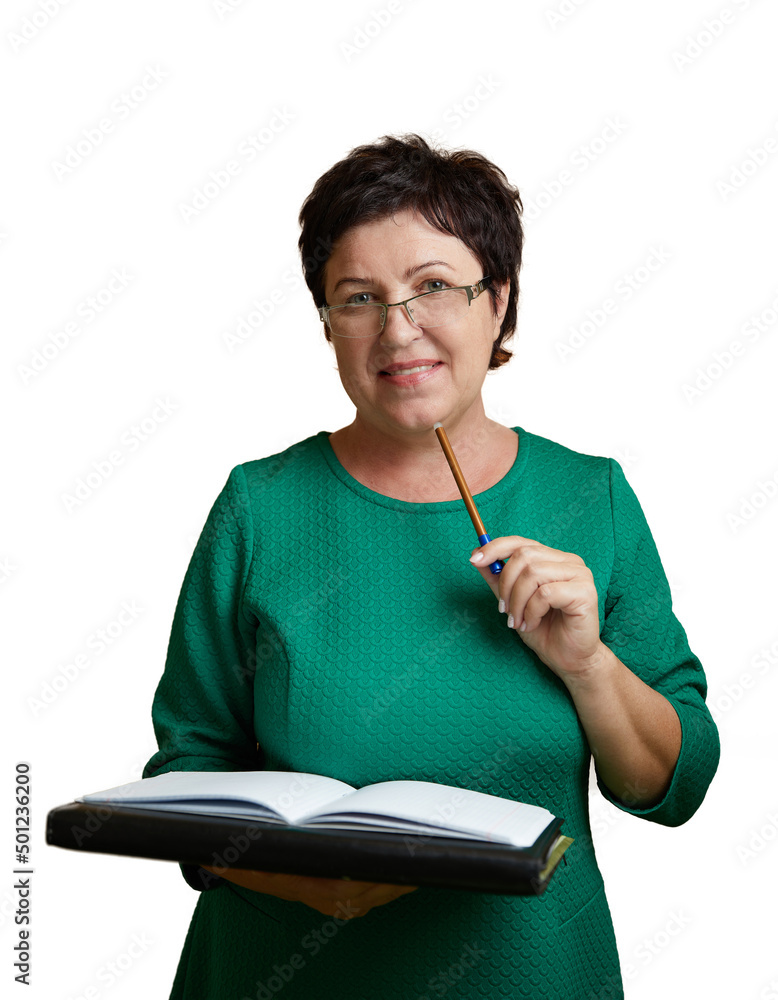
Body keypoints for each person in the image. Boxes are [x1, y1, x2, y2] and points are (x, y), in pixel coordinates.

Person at [143, 133, 720, 999]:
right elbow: (186, 769)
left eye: (434, 287)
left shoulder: (590, 497)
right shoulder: (259, 508)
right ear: (328, 324)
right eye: (357, 297)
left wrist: (588, 664)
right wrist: (297, 879)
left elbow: (670, 786)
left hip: (530, 978)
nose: (397, 327)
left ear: (500, 304)